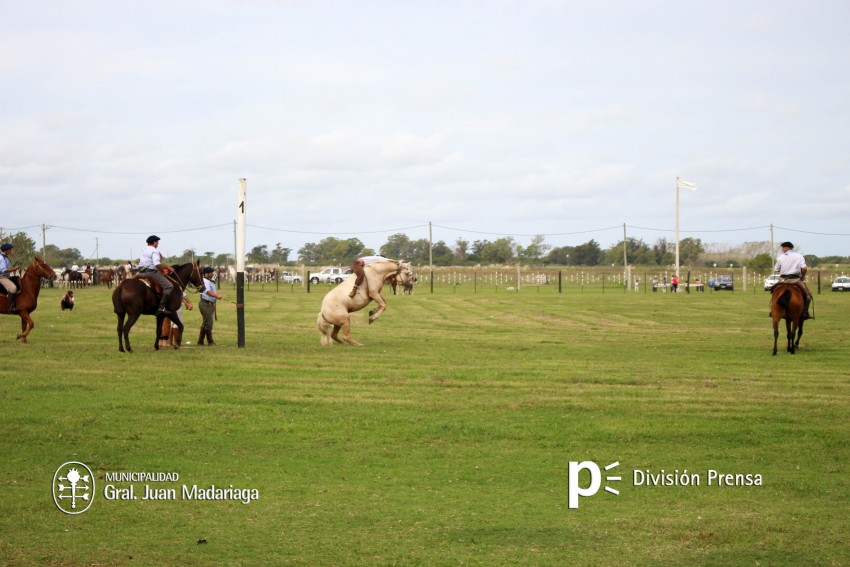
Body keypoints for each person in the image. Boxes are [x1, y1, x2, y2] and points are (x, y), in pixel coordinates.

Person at [774, 241, 813, 319]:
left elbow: (777, 269)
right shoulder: (799, 256)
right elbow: (804, 268)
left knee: (774, 292)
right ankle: (805, 312)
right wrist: (802, 277)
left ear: (786, 248)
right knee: (808, 296)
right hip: (796, 280)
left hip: (783, 280)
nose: (782, 250)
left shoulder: (780, 257)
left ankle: (773, 311)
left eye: (783, 248)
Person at [137, 235, 174, 314]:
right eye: (157, 242)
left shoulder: (144, 249)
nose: (158, 243)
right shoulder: (154, 250)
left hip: (140, 272)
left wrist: (167, 267)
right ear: (154, 242)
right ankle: (161, 308)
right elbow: (156, 264)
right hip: (150, 273)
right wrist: (163, 271)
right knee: (169, 286)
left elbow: (151, 263)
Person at [199, 267, 222, 345]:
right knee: (209, 323)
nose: (213, 274)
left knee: (205, 322)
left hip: (209, 304)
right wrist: (217, 296)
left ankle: (200, 341)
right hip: (206, 304)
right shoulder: (205, 281)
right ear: (207, 273)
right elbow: (208, 292)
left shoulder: (209, 281)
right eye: (211, 272)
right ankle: (210, 341)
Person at [0, 243, 22, 313]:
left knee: (18, 279)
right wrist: (14, 268)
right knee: (13, 288)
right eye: (10, 249)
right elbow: (4, 270)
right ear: (5, 250)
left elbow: (8, 268)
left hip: (6, 276)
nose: (11, 251)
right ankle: (9, 308)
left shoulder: (5, 257)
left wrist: (16, 268)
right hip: (2, 277)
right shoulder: (1, 258)